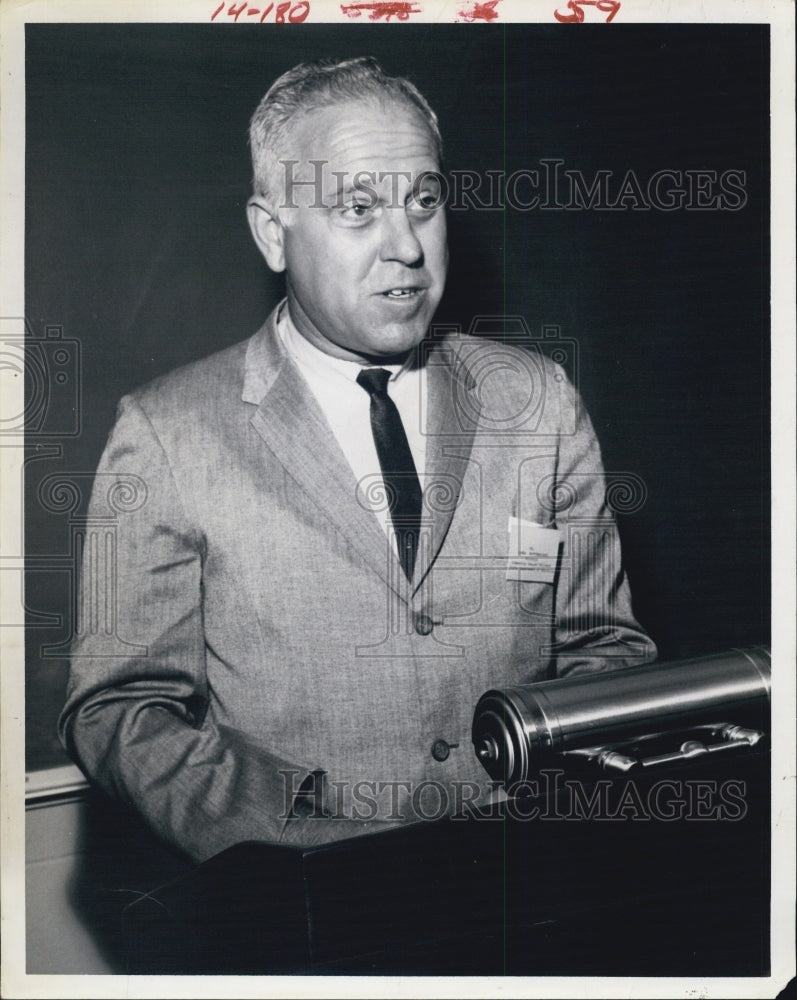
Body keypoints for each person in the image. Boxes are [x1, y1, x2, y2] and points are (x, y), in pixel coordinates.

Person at [59, 57, 656, 864]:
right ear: (273, 233)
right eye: (358, 207)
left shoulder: (537, 400)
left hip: (529, 884)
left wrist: (549, 815)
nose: (405, 246)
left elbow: (604, 653)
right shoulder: (168, 433)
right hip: (301, 909)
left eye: (423, 201)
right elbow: (120, 708)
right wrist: (287, 831)